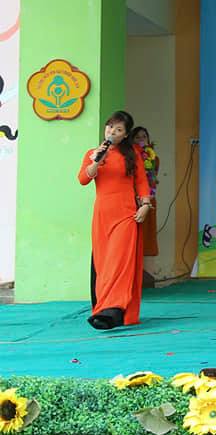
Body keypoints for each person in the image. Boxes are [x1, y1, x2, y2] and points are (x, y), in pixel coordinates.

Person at [78, 111, 152, 330]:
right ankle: (106, 308)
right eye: (110, 127)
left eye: (118, 129)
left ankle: (111, 310)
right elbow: (83, 179)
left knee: (119, 262)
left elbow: (141, 181)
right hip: (103, 214)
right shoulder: (93, 154)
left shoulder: (132, 153)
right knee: (104, 262)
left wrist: (145, 205)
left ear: (125, 134)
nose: (112, 132)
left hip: (126, 214)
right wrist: (96, 161)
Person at [131, 127, 159, 257]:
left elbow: (152, 178)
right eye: (137, 137)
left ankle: (144, 261)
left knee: (147, 233)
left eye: (144, 136)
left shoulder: (153, 158)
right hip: (132, 199)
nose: (141, 139)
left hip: (148, 199)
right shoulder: (129, 157)